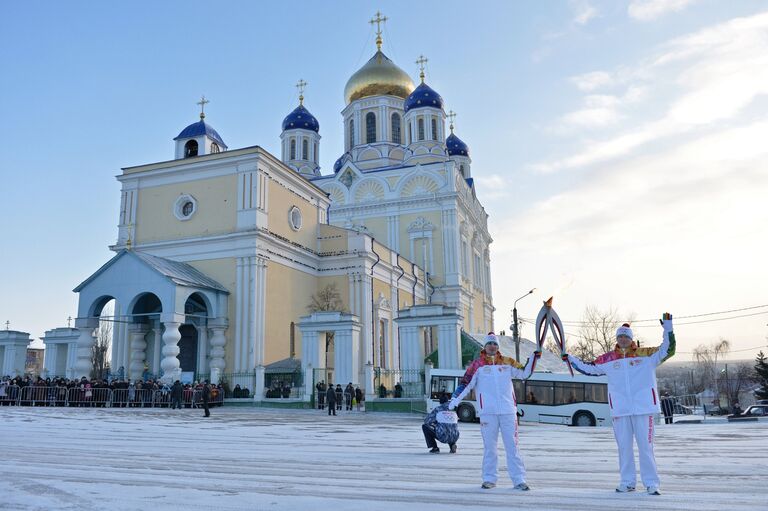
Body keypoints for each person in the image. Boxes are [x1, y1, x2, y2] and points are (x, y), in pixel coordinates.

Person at [565, 314, 676, 496]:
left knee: (645, 447)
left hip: (643, 408)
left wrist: (668, 328)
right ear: (617, 339)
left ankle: (651, 483)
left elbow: (668, 349)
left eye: (626, 336)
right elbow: (588, 368)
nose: (623, 339)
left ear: (631, 339)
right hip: (620, 410)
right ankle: (627, 482)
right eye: (620, 337)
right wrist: (569, 358)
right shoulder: (609, 359)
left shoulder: (646, 355)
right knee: (624, 448)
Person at [449, 332, 540, 490]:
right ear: (485, 346)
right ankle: (489, 479)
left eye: (495, 344)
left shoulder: (507, 362)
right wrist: (455, 400)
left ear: (498, 346)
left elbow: (525, 373)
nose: (492, 346)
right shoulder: (478, 365)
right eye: (490, 343)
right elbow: (466, 384)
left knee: (512, 446)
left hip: (508, 412)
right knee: (490, 447)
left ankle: (519, 479)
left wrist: (534, 358)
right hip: (488, 413)